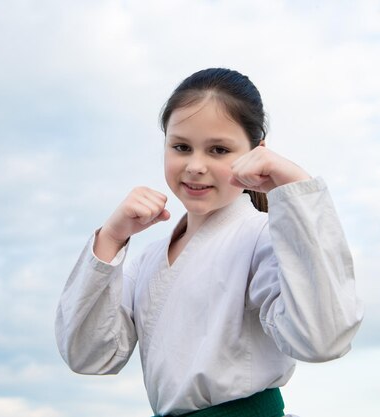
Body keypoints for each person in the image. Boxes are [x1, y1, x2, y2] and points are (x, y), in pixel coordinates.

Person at [55, 68, 363, 417]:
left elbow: (322, 338)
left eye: (218, 149)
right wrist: (112, 236)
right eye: (181, 147)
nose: (196, 166)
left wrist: (294, 186)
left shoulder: (262, 236)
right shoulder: (147, 259)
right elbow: (88, 355)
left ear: (257, 152)